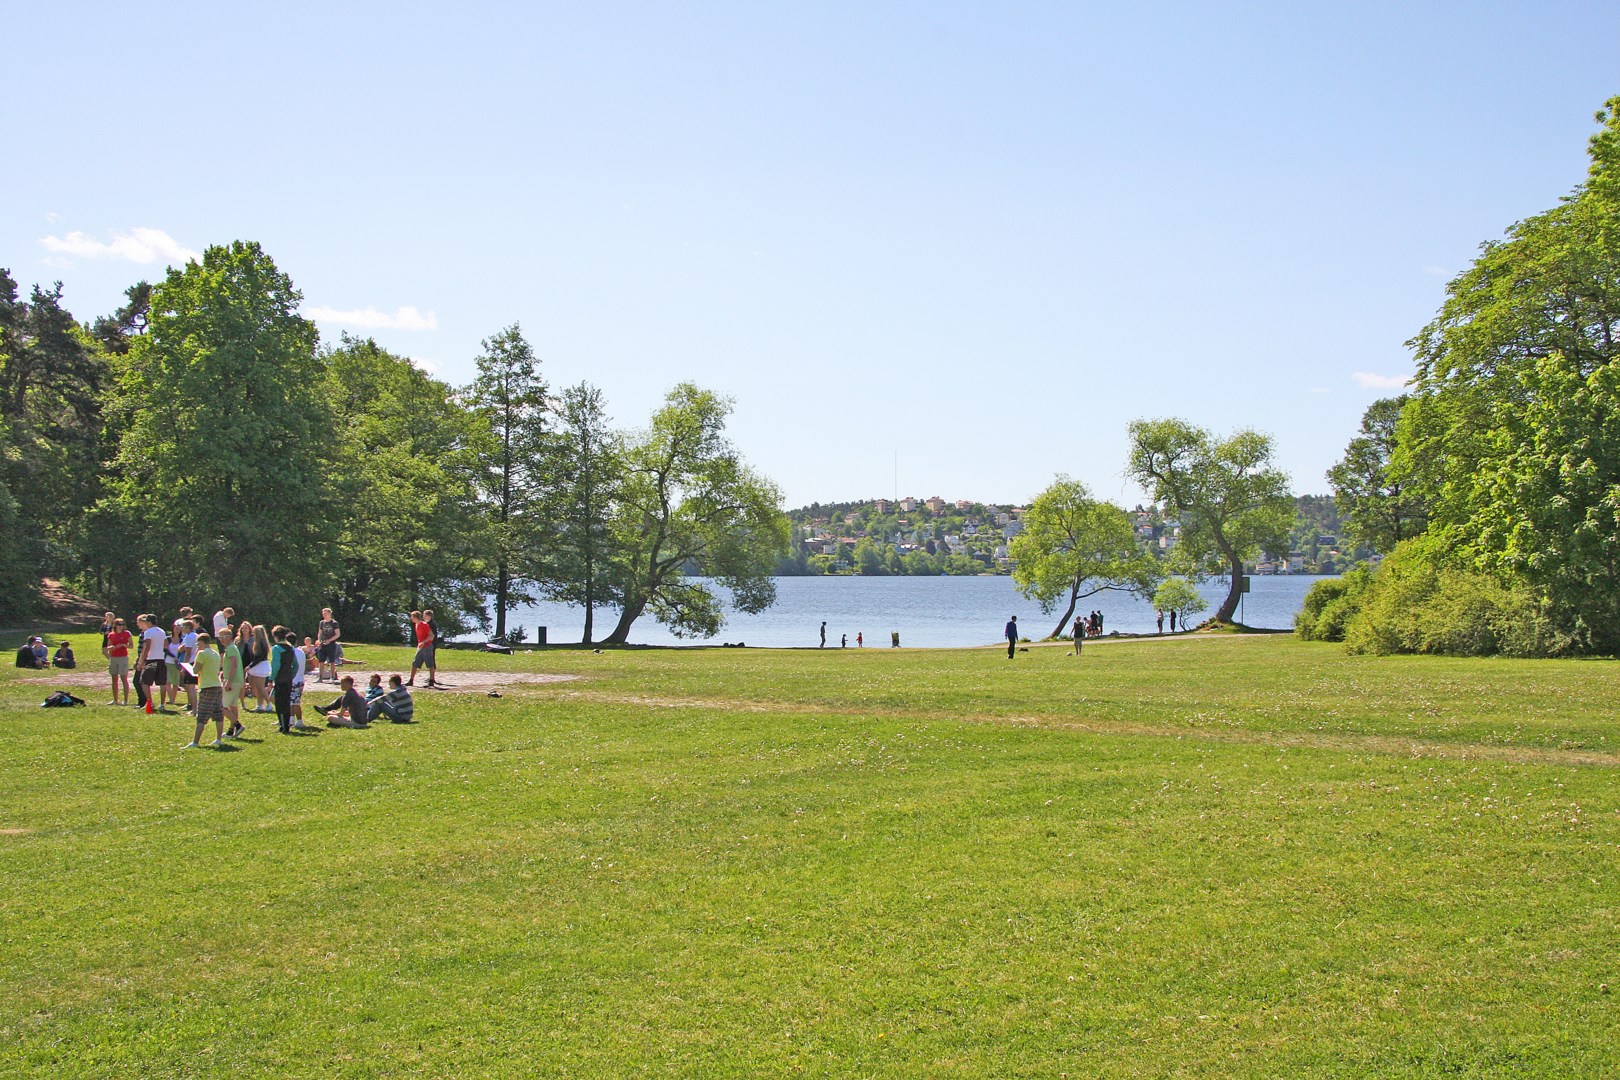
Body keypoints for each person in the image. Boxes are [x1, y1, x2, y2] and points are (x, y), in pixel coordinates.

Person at [183, 633, 225, 749]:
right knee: (218, 714)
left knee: (201, 715)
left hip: (207, 687)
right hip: (217, 686)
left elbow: (195, 671)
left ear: (201, 642)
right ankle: (218, 739)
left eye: (198, 643)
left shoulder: (201, 654)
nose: (197, 645)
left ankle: (195, 742)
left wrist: (194, 660)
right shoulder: (215, 654)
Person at [269, 626, 299, 734]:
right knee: (286, 702)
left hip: (280, 679)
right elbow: (295, 665)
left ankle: (283, 726)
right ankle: (287, 724)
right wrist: (291, 675)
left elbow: (276, 665)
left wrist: (271, 678)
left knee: (280, 703)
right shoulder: (290, 647)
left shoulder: (276, 648)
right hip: (288, 679)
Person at [137, 614, 169, 712]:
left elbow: (147, 647)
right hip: (161, 659)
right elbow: (166, 645)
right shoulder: (161, 631)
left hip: (151, 659)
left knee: (144, 682)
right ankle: (162, 704)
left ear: (149, 622)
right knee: (162, 683)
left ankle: (150, 702)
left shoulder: (148, 632)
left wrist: (141, 661)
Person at [219, 626, 245, 738]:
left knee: (222, 706)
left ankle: (238, 726)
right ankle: (231, 730)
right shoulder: (232, 647)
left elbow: (234, 665)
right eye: (220, 637)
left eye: (223, 637)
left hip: (233, 681)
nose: (221, 639)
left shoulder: (230, 648)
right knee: (233, 706)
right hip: (237, 680)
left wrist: (228, 681)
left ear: (229, 637)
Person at [104, 617, 133, 705]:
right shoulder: (111, 634)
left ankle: (125, 700)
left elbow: (131, 645)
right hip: (113, 658)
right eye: (119, 624)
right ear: (115, 625)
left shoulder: (127, 634)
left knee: (124, 678)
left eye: (122, 624)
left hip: (123, 658)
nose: (121, 626)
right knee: (114, 678)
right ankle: (115, 700)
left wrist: (123, 645)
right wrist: (111, 647)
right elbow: (108, 647)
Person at [246, 623, 273, 712]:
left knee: (260, 686)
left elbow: (259, 658)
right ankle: (260, 704)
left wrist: (250, 666)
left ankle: (269, 703)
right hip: (258, 665)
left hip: (260, 665)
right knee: (257, 687)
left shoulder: (261, 644)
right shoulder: (258, 642)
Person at [408, 610, 436, 687]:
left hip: (427, 646)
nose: (411, 618)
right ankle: (411, 681)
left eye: (412, 617)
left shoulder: (424, 624)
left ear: (416, 617)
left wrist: (424, 642)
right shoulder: (416, 625)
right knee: (415, 663)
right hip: (421, 647)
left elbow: (431, 636)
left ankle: (431, 680)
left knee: (430, 663)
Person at [316, 607, 341, 683]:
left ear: (330, 613)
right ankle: (320, 677)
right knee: (321, 661)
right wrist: (319, 640)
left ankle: (332, 677)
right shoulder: (321, 623)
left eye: (325, 613)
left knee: (332, 661)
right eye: (323, 614)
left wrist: (329, 640)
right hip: (322, 644)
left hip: (331, 644)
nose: (324, 615)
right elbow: (319, 633)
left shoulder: (334, 623)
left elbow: (337, 634)